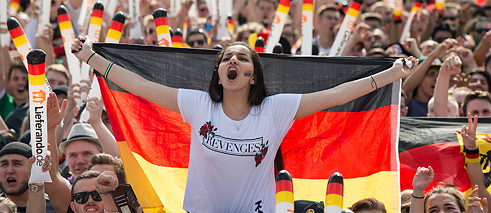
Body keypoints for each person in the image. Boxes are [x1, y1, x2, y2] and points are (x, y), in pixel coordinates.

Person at [71, 35, 417, 211]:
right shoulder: (197, 103)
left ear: (253, 77)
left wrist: (391, 75)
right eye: (227, 59)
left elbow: (335, 95)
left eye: (243, 58)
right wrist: (91, 57)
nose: (233, 61)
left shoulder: (275, 109)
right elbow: (141, 86)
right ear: (220, 73)